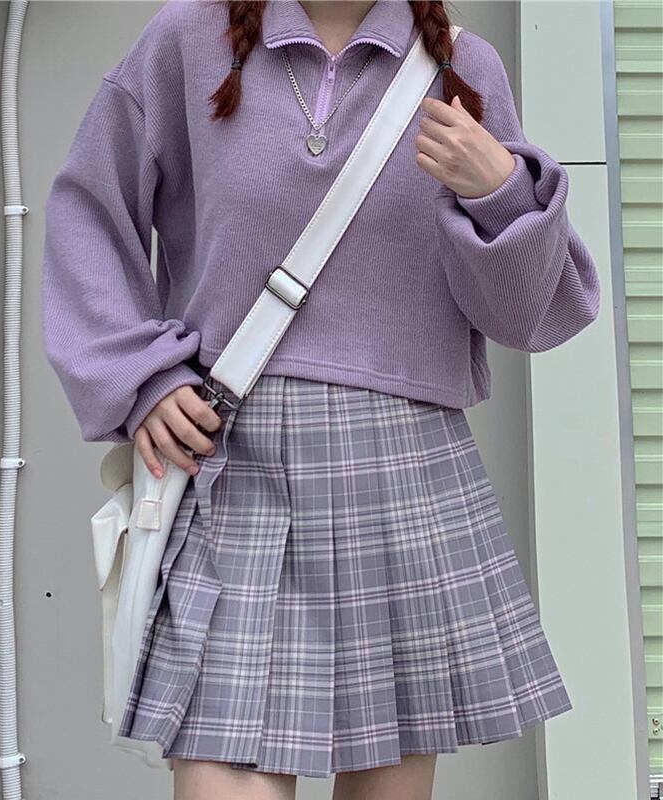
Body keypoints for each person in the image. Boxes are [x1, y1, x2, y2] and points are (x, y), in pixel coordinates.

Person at [41, 1, 600, 798]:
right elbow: (89, 212)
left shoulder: (461, 68)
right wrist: (142, 375)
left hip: (404, 471)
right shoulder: (187, 43)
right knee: (222, 774)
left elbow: (525, 316)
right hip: (237, 462)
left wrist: (502, 193)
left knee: (385, 778)